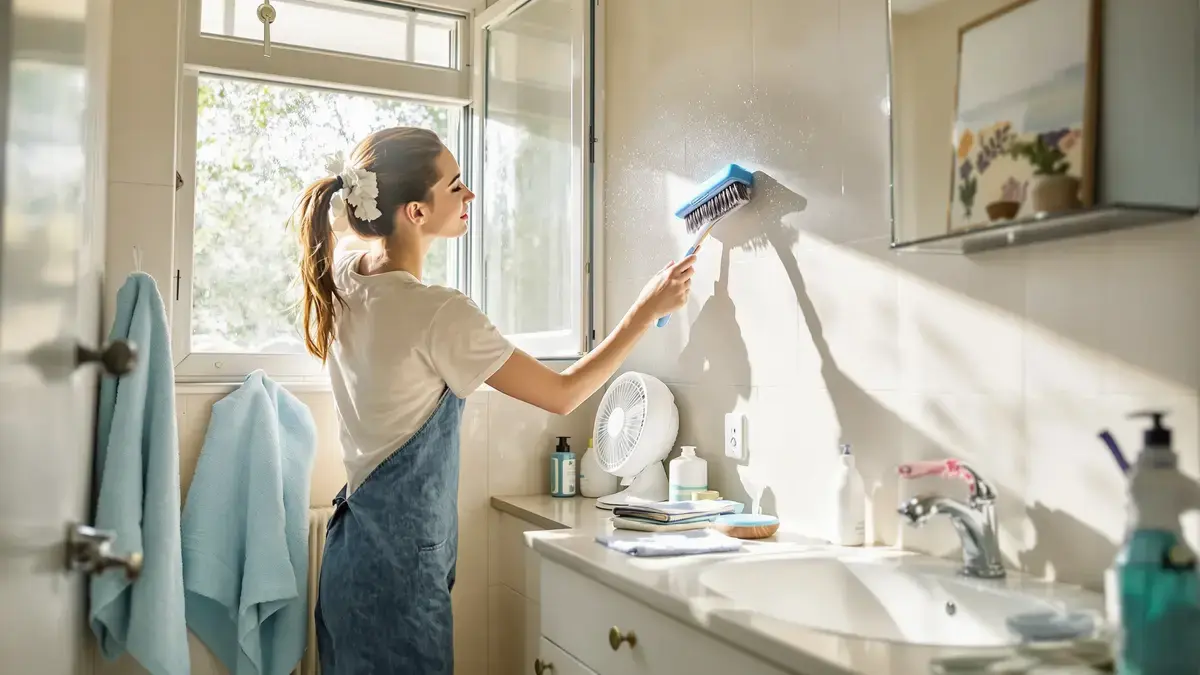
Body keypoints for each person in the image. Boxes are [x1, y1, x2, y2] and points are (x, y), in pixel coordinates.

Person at [291, 126, 697, 674]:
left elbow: (351, 217)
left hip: (349, 562)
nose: (470, 197)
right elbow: (562, 393)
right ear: (413, 211)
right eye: (456, 186)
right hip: (400, 581)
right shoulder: (438, 313)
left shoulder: (343, 279)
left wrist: (371, 192)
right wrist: (644, 313)